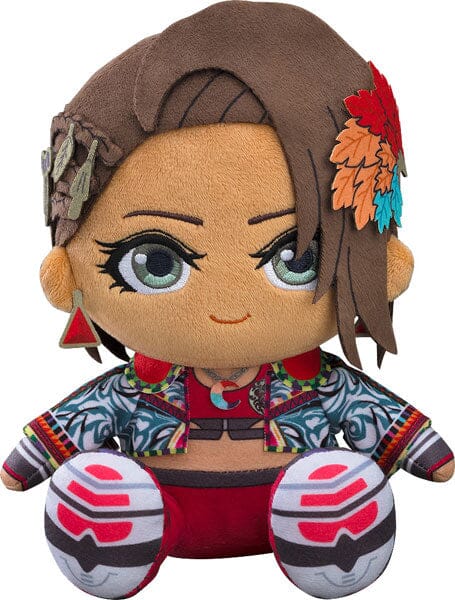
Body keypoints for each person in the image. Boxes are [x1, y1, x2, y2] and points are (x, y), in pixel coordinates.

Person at [1, 2, 453, 599]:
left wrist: (420, 449)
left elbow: (369, 411)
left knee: (335, 486)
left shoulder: (317, 383)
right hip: (163, 507)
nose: (228, 307)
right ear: (66, 275)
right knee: (102, 489)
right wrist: (34, 458)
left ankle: (325, 522)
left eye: (297, 258)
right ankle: (116, 523)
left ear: (384, 267)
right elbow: (83, 417)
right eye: (155, 263)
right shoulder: (137, 386)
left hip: (292, 495)